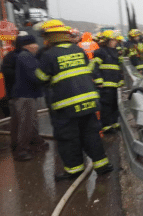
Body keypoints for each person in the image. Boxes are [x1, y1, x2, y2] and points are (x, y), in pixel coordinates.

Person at [35, 20, 113, 180]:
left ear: (49, 37)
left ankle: (75, 170)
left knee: (68, 137)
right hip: (89, 101)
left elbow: (41, 78)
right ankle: (102, 165)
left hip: (66, 105)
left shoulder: (48, 55)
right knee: (91, 134)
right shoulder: (78, 50)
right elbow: (88, 70)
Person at [9, 34, 48, 161]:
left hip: (23, 95)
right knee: (26, 123)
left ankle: (35, 142)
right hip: (26, 96)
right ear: (27, 46)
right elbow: (35, 76)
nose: (37, 46)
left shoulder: (25, 56)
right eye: (35, 44)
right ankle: (22, 150)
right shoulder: (26, 57)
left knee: (28, 121)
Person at [91, 29, 123, 133]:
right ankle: (106, 125)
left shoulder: (115, 51)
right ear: (107, 41)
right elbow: (95, 67)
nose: (115, 42)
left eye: (115, 40)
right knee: (106, 105)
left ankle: (114, 123)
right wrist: (99, 81)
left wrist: (120, 80)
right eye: (113, 40)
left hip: (114, 83)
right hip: (105, 84)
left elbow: (118, 67)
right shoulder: (100, 52)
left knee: (115, 104)